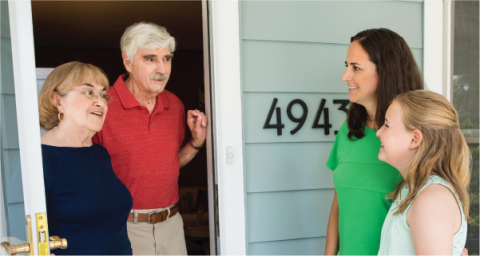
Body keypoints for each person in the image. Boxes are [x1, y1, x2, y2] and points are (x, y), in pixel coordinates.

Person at [92, 22, 207, 256]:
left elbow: (167, 163)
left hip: (172, 226)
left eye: (167, 59)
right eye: (150, 58)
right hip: (124, 227)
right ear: (127, 61)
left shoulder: (175, 106)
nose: (162, 69)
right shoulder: (101, 106)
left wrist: (196, 142)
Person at [324, 28, 424, 256]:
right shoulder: (348, 132)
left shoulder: (416, 139)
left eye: (355, 68)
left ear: (386, 72)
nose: (345, 76)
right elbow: (338, 206)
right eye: (346, 65)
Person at [39, 61, 133, 256]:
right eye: (88, 92)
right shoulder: (41, 158)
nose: (100, 102)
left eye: (103, 95)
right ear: (58, 101)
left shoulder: (99, 154)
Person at [376, 90, 470, 256]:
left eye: (387, 125)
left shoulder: (431, 201)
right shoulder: (414, 189)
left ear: (414, 140)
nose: (378, 132)